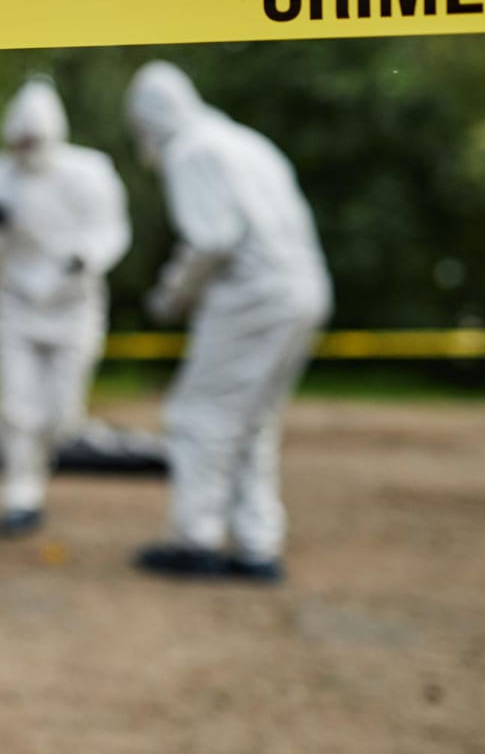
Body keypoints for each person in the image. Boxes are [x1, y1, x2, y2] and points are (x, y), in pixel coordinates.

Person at [125, 60, 331, 583]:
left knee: (200, 415)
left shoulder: (191, 150)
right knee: (253, 418)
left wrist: (171, 297)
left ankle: (195, 539)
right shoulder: (245, 142)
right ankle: (257, 544)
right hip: (305, 288)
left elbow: (212, 239)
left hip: (253, 295)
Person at [0, 76, 130, 537]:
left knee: (62, 414)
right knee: (15, 408)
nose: (26, 149)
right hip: (15, 305)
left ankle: (40, 469)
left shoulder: (90, 172)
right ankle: (20, 495)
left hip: (74, 306)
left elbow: (113, 231)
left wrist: (84, 259)